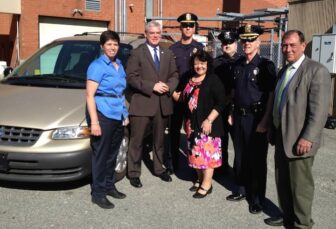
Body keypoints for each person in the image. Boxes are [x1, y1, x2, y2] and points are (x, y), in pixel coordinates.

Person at [264, 30, 331, 228]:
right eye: (285, 45)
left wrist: (308, 138)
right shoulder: (284, 70)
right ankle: (287, 218)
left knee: (300, 188)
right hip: (281, 136)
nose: (288, 49)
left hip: (300, 140)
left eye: (293, 45)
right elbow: (278, 102)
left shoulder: (316, 71)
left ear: (303, 46)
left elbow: (319, 112)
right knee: (282, 183)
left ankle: (302, 224)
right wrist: (271, 127)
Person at [226, 24, 276, 214]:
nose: (246, 43)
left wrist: (265, 121)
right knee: (239, 156)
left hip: (256, 118)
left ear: (258, 42)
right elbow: (234, 91)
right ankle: (241, 189)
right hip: (238, 115)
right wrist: (231, 111)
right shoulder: (238, 64)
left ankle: (256, 198)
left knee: (256, 160)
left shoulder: (265, 66)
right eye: (244, 40)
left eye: (251, 39)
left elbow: (271, 94)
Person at [126, 20, 179, 188]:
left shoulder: (167, 53)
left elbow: (174, 75)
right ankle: (134, 172)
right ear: (145, 34)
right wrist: (152, 86)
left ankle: (158, 168)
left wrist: (169, 87)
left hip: (162, 104)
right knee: (137, 140)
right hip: (142, 103)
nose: (155, 36)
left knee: (159, 139)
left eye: (158, 33)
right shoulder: (137, 53)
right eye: (152, 33)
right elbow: (131, 77)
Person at [86, 30, 129, 209]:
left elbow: (120, 92)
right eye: (109, 44)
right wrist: (94, 122)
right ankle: (98, 193)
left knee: (112, 153)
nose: (113, 47)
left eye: (115, 44)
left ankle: (109, 186)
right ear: (102, 46)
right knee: (101, 155)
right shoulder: (97, 66)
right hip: (103, 114)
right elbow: (89, 95)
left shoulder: (118, 64)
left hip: (117, 114)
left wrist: (124, 115)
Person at [174, 49, 225, 198]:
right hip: (191, 123)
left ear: (208, 64)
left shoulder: (213, 79)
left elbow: (221, 102)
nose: (199, 66)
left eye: (202, 63)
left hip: (207, 124)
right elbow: (185, 97)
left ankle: (207, 184)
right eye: (196, 63)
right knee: (195, 153)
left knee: (207, 155)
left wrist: (209, 120)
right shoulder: (190, 78)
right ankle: (200, 178)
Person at [168, 12, 203, 174]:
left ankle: (195, 167)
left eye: (191, 25)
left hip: (193, 97)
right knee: (174, 131)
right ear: (180, 27)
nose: (188, 28)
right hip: (176, 97)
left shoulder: (199, 48)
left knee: (193, 132)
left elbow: (204, 73)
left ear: (194, 27)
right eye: (185, 25)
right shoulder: (172, 49)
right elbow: (168, 73)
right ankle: (173, 164)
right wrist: (173, 92)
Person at [213, 29, 240, 171]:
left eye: (230, 42)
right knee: (220, 140)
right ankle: (221, 168)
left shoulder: (242, 62)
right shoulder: (215, 63)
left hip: (236, 108)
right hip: (220, 108)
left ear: (236, 44)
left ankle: (238, 171)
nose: (227, 45)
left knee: (238, 142)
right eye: (224, 42)